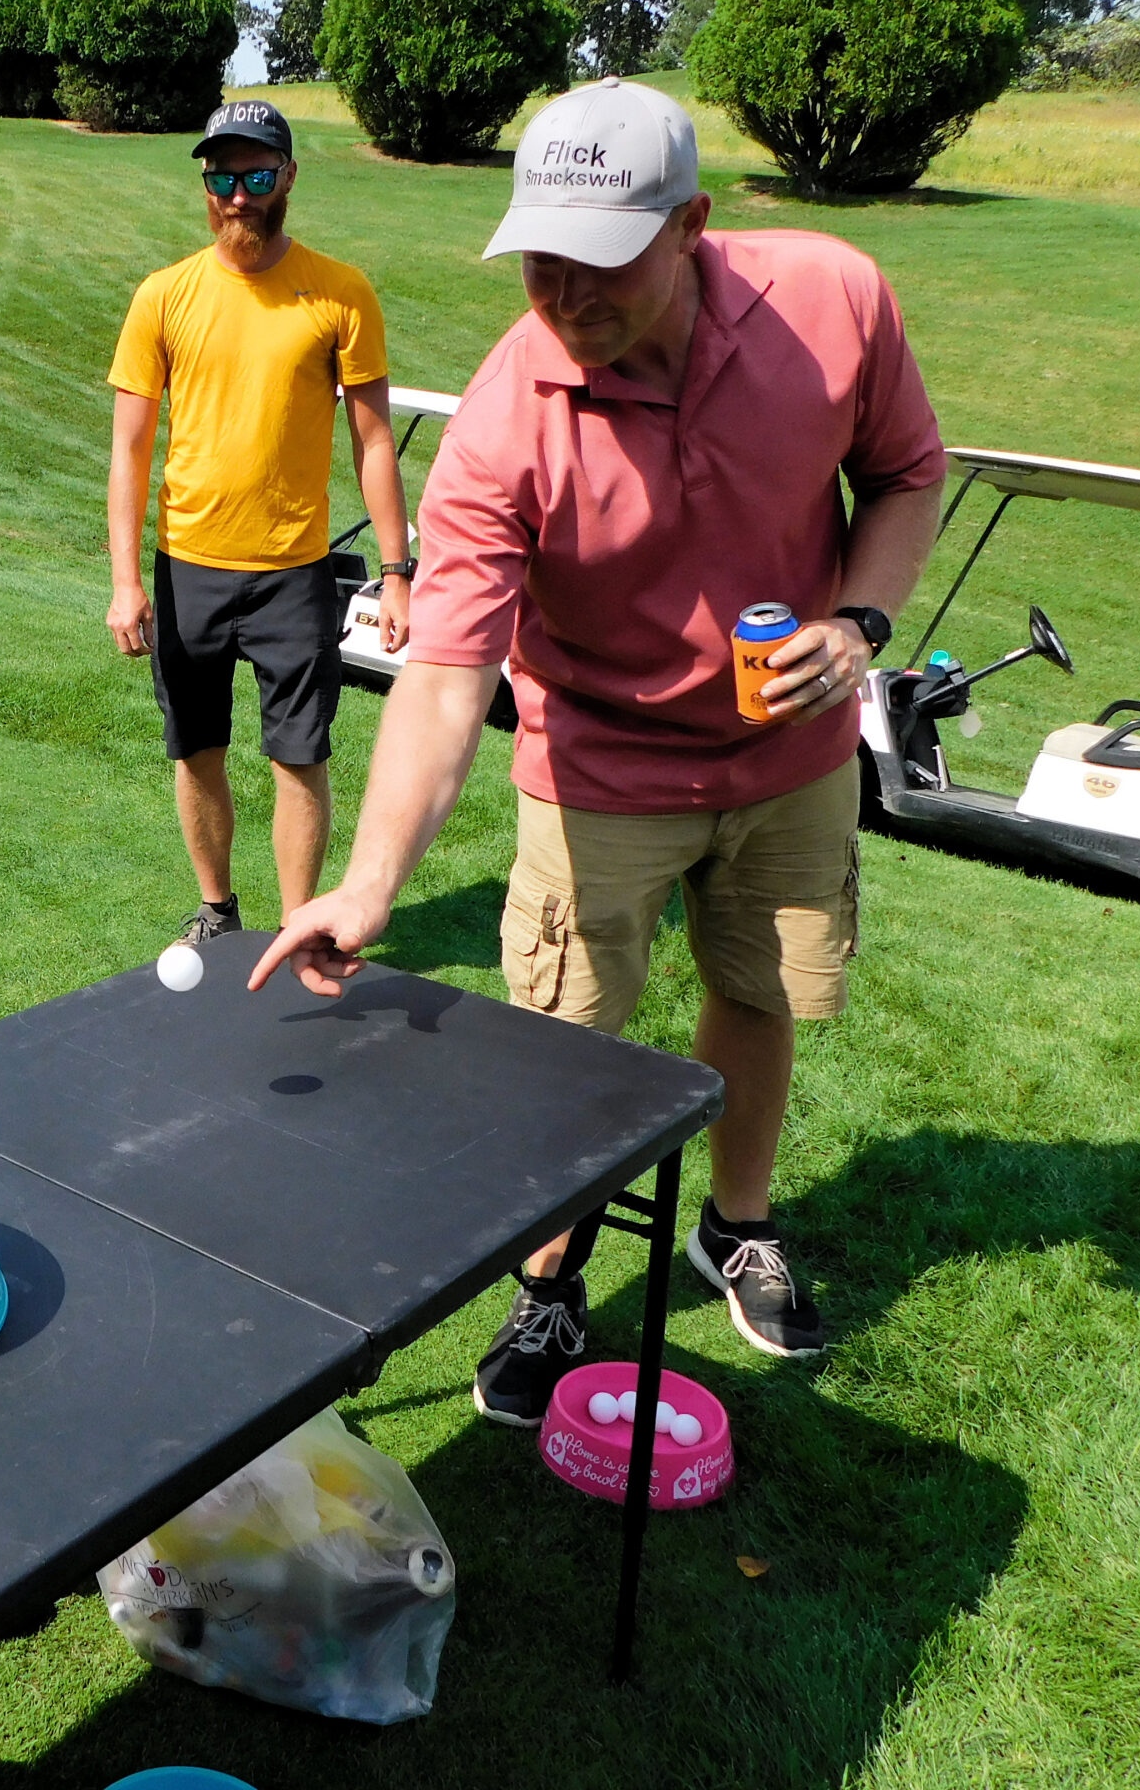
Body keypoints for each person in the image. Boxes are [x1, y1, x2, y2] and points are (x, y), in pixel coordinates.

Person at [251, 78, 949, 1421]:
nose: (565, 297)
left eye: (602, 261)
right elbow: (445, 677)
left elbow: (907, 473)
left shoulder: (832, 299)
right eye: (539, 262)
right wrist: (371, 880)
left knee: (758, 992)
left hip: (791, 759)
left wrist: (859, 622)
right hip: (599, 772)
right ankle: (550, 1280)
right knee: (563, 1050)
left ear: (691, 225)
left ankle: (735, 1225)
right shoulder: (502, 426)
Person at [106, 99, 414, 946]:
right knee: (196, 748)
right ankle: (217, 911)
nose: (238, 196)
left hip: (294, 572)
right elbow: (130, 449)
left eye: (257, 175)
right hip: (188, 566)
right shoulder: (163, 296)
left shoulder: (341, 293)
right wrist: (126, 581)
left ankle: (296, 928)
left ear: (288, 177)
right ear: (205, 186)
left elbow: (374, 443)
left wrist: (396, 572)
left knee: (300, 755)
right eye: (222, 179)